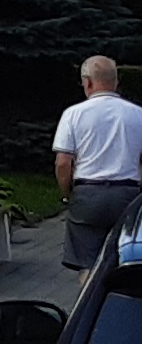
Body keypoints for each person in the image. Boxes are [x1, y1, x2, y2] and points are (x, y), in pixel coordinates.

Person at [53, 55, 142, 277]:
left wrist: (67, 194)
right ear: (116, 81)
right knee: (128, 258)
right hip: (128, 194)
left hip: (88, 194)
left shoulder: (73, 114)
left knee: (88, 265)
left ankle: (93, 305)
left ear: (88, 82)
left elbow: (63, 163)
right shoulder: (137, 114)